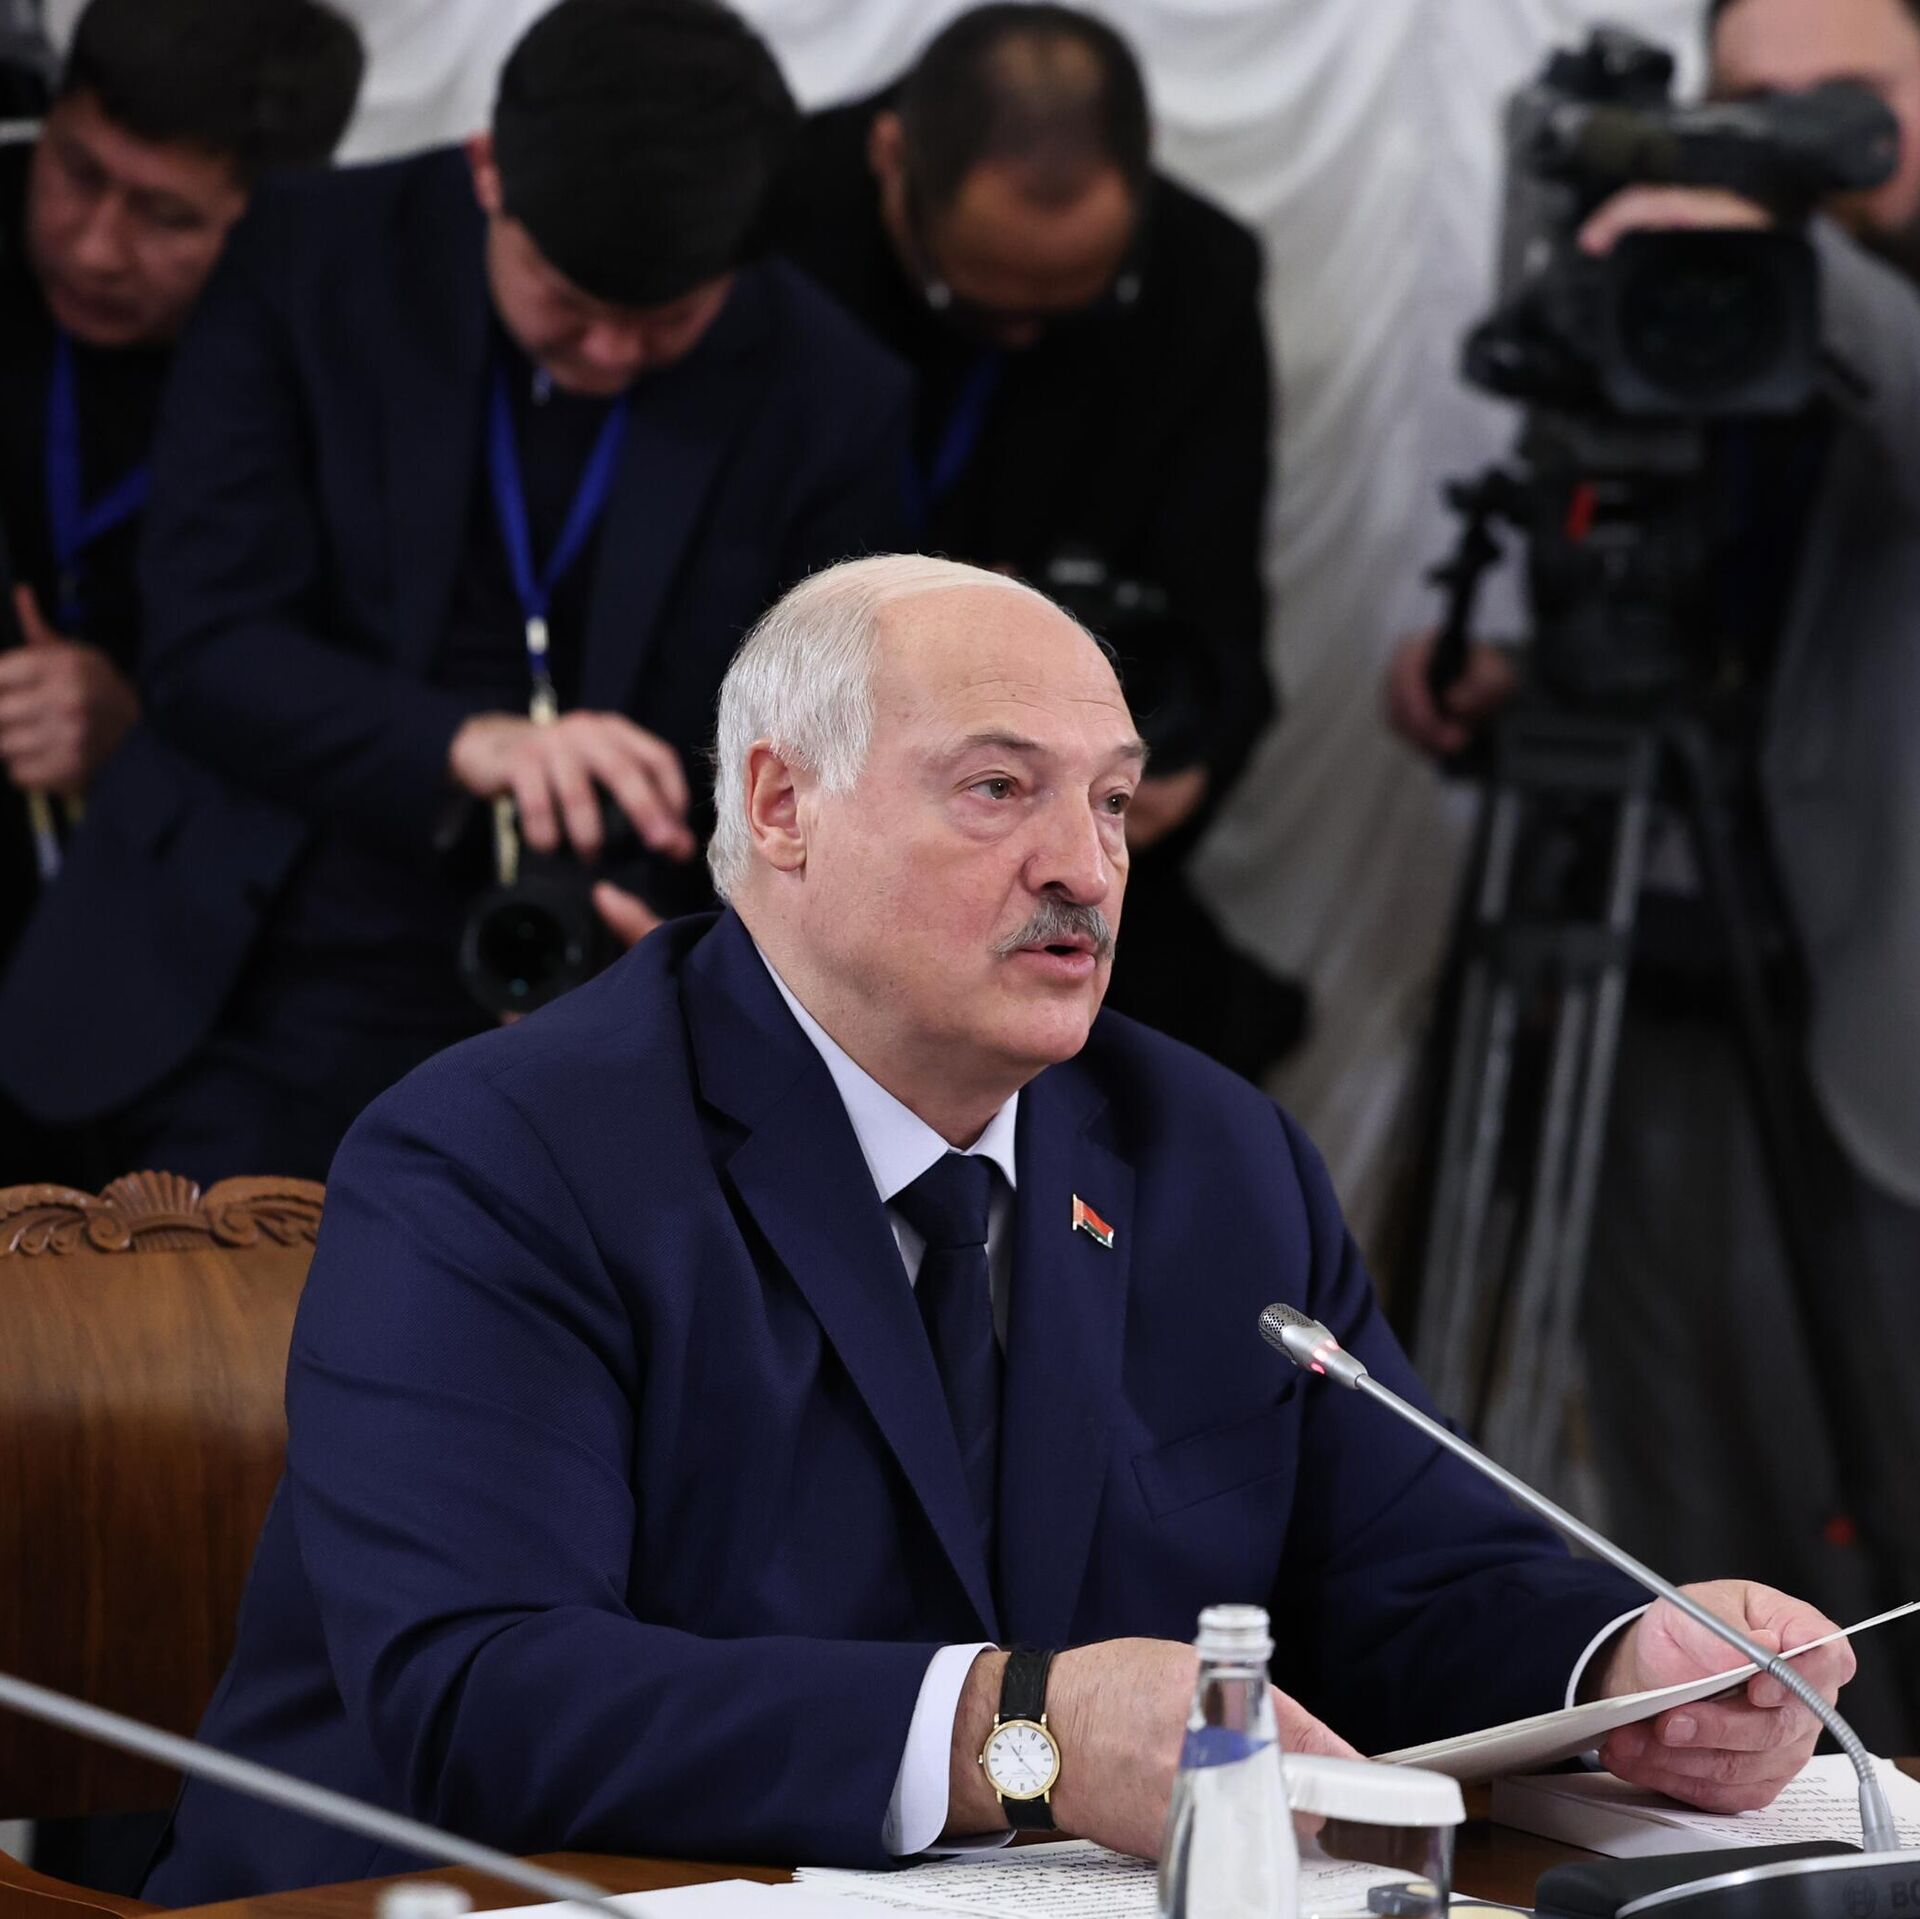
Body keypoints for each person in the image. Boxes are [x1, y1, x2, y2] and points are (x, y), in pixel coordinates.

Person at [144, 554, 1856, 1904]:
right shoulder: (502, 1155)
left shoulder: (1213, 1153)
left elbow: (1402, 1574)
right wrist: (1014, 1732)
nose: (1086, 869)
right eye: (997, 789)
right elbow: (484, 1691)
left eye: (1110, 801)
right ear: (781, 803)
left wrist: (1628, 1660)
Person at [0, 0, 911, 1187]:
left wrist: (689, 955)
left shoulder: (831, 394)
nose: (607, 354)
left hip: (580, 994)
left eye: (662, 324)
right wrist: (463, 742)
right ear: (489, 173)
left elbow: (823, 760)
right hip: (245, 945)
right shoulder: (315, 257)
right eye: (567, 304)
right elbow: (204, 640)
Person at [1384, 0, 1920, 1746]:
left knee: (1868, 1452)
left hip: (1874, 1010)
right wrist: (1524, 676)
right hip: (1648, 944)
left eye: (1844, 105)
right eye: (1750, 103)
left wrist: (1784, 250)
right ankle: (1696, 1758)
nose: (1788, 143)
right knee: (1677, 1444)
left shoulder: (1826, 289)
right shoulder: (1685, 284)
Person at [764, 5, 1304, 1085]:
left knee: (1198, 1056)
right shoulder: (776, 221)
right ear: (890, 159)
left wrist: (1167, 766)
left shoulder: (1198, 275)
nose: (1023, 338)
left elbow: (1222, 625)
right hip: (800, 774)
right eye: (971, 304)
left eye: (1075, 308)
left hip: (1055, 814)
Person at [0, 0, 363, 1178]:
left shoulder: (352, 372)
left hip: (194, 961)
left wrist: (141, 741)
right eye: (75, 172)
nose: (95, 246)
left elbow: (349, 715)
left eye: (166, 217)